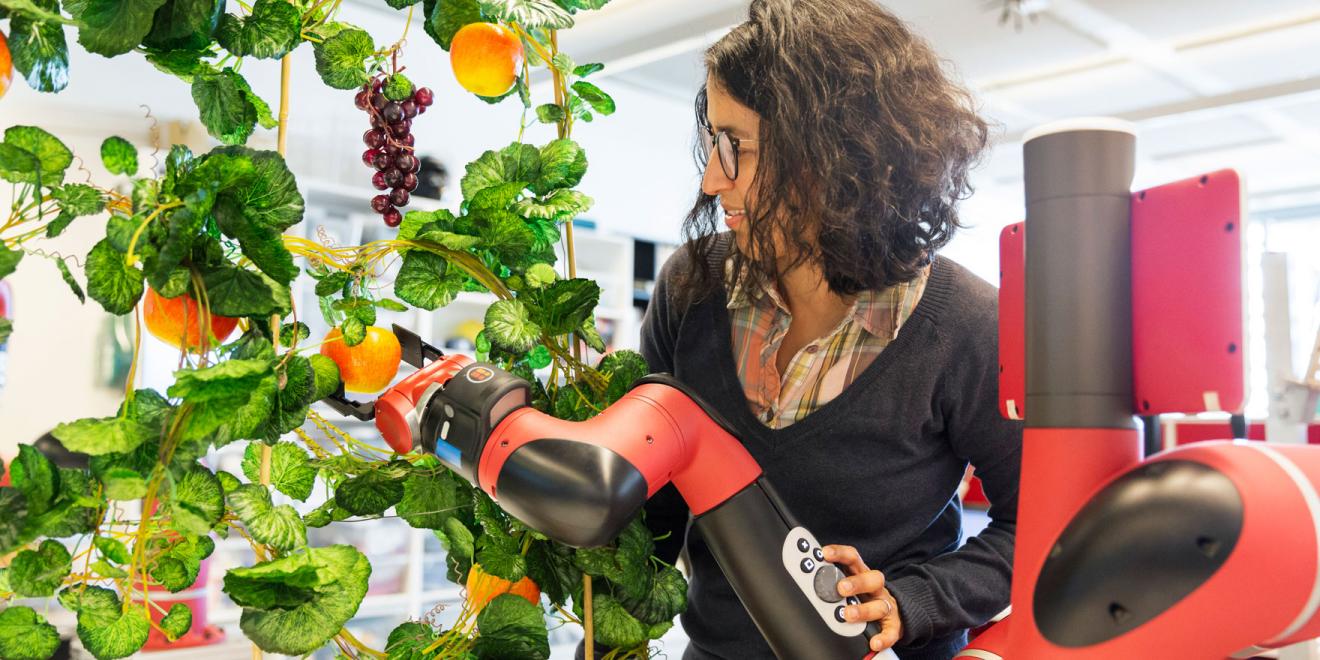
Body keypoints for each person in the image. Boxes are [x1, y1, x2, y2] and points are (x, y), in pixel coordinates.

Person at [636, 1, 1022, 658]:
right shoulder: (691, 286)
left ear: (838, 153)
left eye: (738, 148)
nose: (710, 179)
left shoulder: (969, 325)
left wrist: (911, 599)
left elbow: (1035, 527)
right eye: (712, 143)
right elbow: (658, 505)